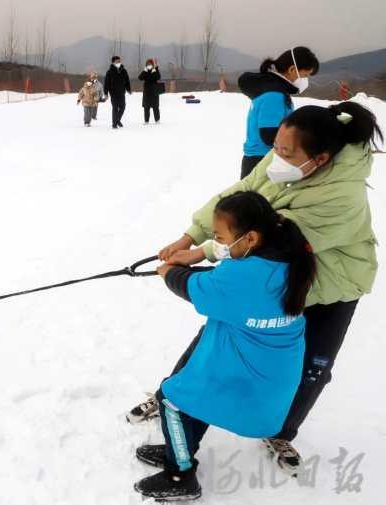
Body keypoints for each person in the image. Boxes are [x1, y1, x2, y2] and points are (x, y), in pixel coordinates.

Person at [133, 101, 381, 476]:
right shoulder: (286, 158)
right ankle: (176, 398)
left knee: (310, 364)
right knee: (216, 334)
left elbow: (268, 241)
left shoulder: (340, 197)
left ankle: (280, 429)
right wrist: (189, 237)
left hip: (329, 284)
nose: (275, 158)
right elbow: (242, 192)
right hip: (273, 271)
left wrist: (198, 256)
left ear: (321, 159)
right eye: (275, 148)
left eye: (285, 152)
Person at [134, 191, 316, 501]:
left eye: (220, 236)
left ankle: (180, 474)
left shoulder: (242, 274)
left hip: (248, 379)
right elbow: (232, 284)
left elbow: (195, 288)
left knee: (171, 398)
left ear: (250, 238)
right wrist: (189, 264)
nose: (216, 243)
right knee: (199, 392)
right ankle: (181, 448)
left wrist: (168, 272)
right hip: (265, 370)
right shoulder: (289, 255)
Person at [238, 47, 320, 179]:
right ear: (292, 69)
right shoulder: (274, 95)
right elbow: (269, 135)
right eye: (305, 75)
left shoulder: (272, 90)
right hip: (262, 162)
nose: (305, 80)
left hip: (260, 160)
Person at [103, 55, 132, 129]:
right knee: (115, 108)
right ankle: (114, 124)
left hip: (122, 92)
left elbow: (127, 81)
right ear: (113, 62)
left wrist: (129, 89)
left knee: (122, 107)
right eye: (117, 61)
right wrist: (106, 93)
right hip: (113, 93)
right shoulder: (109, 72)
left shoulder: (123, 70)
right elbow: (106, 83)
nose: (119, 62)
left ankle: (117, 120)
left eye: (119, 61)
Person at [138, 58, 161, 124]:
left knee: (155, 106)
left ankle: (157, 120)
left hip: (154, 91)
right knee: (146, 107)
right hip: (147, 92)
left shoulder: (154, 70)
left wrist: (155, 68)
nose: (149, 65)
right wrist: (144, 70)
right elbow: (140, 78)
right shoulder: (145, 71)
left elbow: (158, 77)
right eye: (148, 64)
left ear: (152, 64)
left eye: (150, 64)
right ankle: (146, 121)